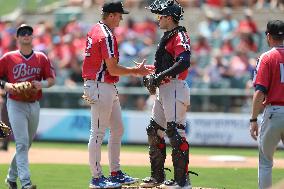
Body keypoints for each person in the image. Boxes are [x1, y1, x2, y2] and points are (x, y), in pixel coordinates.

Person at [81, 1, 152, 189]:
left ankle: (115, 172)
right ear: (111, 15)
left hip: (103, 85)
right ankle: (96, 178)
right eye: (120, 15)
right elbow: (112, 68)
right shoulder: (106, 35)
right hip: (100, 85)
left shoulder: (96, 29)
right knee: (97, 133)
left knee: (118, 129)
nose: (121, 19)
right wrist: (136, 72)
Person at [140, 0, 192, 188]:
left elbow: (183, 62)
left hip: (176, 87)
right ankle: (158, 177)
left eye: (160, 16)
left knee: (175, 133)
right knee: (154, 131)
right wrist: (151, 73)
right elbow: (166, 64)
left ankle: (182, 181)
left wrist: (159, 75)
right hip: (165, 89)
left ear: (169, 17)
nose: (157, 19)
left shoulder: (179, 35)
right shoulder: (169, 35)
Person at [0, 24, 56, 189]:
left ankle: (11, 177)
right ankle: (26, 183)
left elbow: (52, 80)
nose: (26, 35)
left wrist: (42, 84)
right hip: (15, 103)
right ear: (17, 38)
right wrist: (7, 85)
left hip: (34, 104)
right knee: (22, 143)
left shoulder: (41, 57)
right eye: (22, 33)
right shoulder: (8, 57)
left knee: (27, 144)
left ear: (32, 37)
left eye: (29, 33)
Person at [250, 20, 284, 189]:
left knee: (265, 162)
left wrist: (253, 119)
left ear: (268, 36)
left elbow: (259, 91)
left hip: (274, 111)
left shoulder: (267, 57)